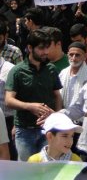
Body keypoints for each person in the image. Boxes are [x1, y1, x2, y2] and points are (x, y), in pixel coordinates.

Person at [5, 29, 63, 161]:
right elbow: (9, 100)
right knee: (27, 171)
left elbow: (57, 96)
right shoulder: (17, 71)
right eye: (41, 48)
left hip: (48, 129)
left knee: (47, 169)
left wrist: (58, 116)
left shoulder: (51, 69)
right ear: (30, 48)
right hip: (25, 131)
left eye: (47, 48)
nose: (46, 52)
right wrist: (30, 106)